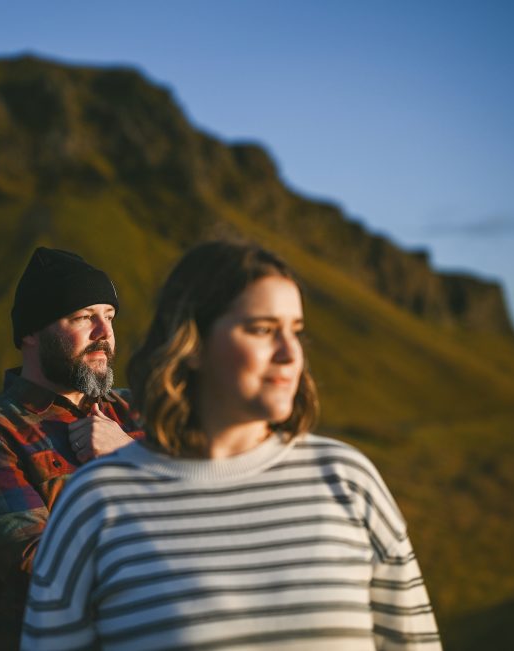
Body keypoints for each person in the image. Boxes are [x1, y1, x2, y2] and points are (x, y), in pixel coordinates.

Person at [22, 240, 442, 650]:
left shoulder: (349, 479)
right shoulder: (95, 502)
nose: (291, 353)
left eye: (296, 330)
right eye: (262, 329)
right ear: (194, 343)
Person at [0, 246, 142, 650]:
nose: (104, 335)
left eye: (108, 317)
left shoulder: (141, 411)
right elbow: (45, 573)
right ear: (31, 334)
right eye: (83, 317)